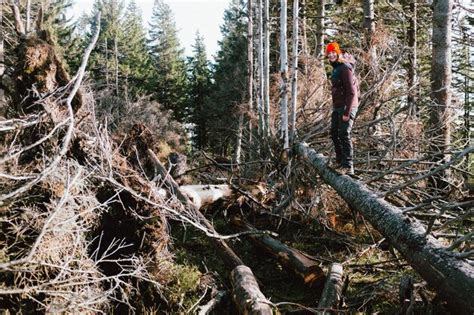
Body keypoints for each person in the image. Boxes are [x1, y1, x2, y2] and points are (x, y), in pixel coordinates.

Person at [326, 42, 358, 175]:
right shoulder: (335, 68)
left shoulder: (345, 68)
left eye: (333, 52)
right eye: (329, 53)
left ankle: (348, 166)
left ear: (338, 52)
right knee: (334, 132)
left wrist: (347, 111)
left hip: (348, 106)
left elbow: (351, 91)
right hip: (337, 106)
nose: (331, 54)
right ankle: (339, 161)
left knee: (344, 134)